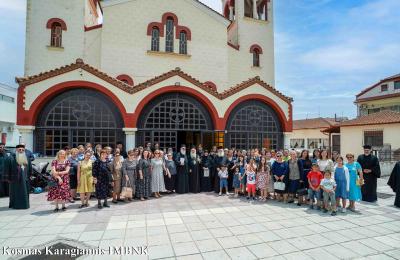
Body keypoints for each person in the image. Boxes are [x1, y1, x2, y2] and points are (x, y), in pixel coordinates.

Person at [6, 144, 31, 209]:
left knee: (25, 192)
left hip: (25, 179)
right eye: (19, 149)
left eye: (23, 150)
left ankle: (25, 205)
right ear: (16, 150)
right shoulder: (11, 158)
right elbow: (7, 168)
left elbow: (30, 168)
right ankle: (16, 205)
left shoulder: (27, 158)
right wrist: (8, 178)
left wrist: (30, 176)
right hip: (15, 179)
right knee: (15, 193)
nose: (21, 151)